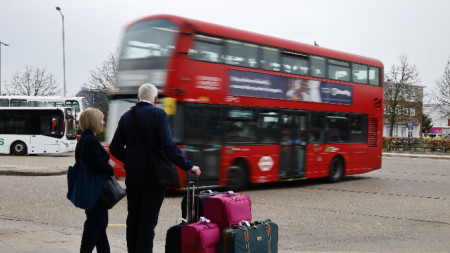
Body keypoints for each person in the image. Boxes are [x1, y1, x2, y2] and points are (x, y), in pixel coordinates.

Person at [109, 83, 201, 253]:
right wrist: (188, 166)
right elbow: (168, 145)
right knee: (147, 222)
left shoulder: (126, 117)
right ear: (156, 99)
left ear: (138, 98)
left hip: (134, 177)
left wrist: (130, 160)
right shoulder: (159, 114)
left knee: (133, 220)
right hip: (154, 178)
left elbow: (114, 148)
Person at [76, 108, 114, 253]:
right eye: (101, 119)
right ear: (94, 122)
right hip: (95, 192)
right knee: (94, 226)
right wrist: (110, 168)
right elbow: (97, 165)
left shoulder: (86, 138)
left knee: (99, 227)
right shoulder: (90, 140)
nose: (103, 122)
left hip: (91, 190)